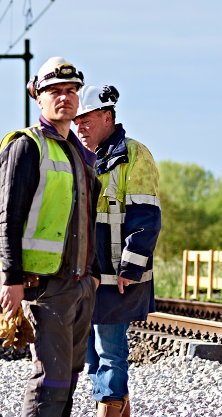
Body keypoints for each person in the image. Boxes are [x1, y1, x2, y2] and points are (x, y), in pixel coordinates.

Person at [0, 56, 99, 417]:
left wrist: (95, 273)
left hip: (80, 283)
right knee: (50, 380)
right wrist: (10, 280)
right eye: (54, 91)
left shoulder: (82, 155)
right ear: (37, 96)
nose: (64, 97)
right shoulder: (26, 146)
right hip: (45, 285)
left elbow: (87, 217)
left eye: (71, 90)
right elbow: (8, 218)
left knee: (69, 376)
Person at [72, 84, 160, 417]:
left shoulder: (134, 156)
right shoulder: (79, 158)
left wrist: (131, 269)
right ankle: (115, 407)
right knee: (93, 355)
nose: (80, 126)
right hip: (87, 277)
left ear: (107, 117)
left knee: (110, 353)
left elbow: (146, 217)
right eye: (77, 121)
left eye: (87, 119)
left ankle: (107, 407)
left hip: (118, 276)